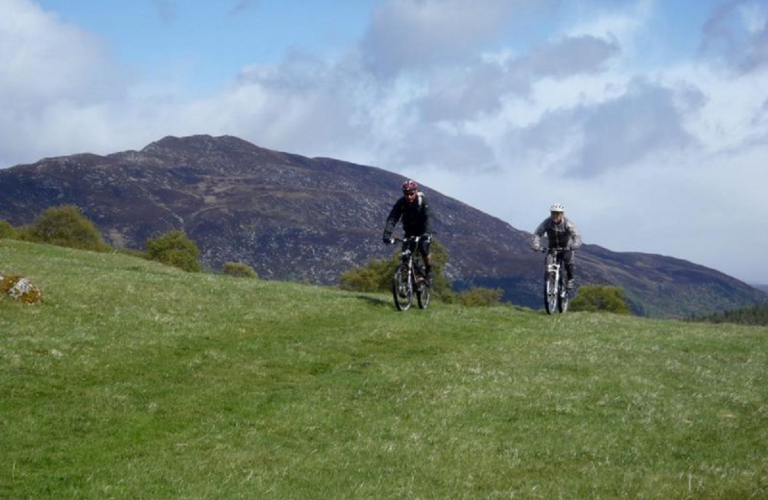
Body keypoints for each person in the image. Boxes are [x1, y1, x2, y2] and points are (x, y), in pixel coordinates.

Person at [382, 179, 433, 284]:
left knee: (424, 248)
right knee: (406, 255)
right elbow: (392, 219)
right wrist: (387, 235)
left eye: (411, 194)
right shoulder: (401, 203)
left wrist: (426, 233)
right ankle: (408, 280)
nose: (409, 196)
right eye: (406, 194)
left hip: (423, 230)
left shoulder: (422, 201)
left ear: (416, 191)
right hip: (410, 232)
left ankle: (428, 270)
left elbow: (428, 217)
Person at [531, 203, 582, 289]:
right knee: (548, 267)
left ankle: (570, 279)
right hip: (552, 248)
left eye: (558, 213)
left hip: (566, 247)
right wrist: (536, 245)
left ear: (562, 214)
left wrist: (575, 245)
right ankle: (549, 288)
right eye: (553, 213)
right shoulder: (546, 223)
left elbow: (576, 236)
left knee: (568, 261)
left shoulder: (567, 223)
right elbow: (537, 234)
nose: (555, 216)